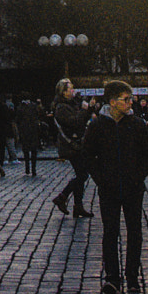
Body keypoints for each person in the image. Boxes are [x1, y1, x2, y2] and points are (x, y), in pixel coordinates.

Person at [83, 80, 148, 294]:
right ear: (112, 102)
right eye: (126, 99)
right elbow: (87, 153)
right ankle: (112, 278)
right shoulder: (97, 125)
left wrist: (138, 176)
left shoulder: (135, 124)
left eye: (130, 98)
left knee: (134, 232)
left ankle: (132, 276)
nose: (130, 102)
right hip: (108, 188)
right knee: (110, 232)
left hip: (133, 188)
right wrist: (100, 178)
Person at [49, 80, 93, 219]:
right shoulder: (62, 107)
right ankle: (62, 197)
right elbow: (75, 123)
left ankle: (77, 206)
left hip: (76, 144)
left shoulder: (70, 104)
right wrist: (85, 111)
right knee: (82, 175)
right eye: (71, 89)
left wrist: (89, 109)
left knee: (81, 174)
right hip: (71, 146)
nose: (73, 91)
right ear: (64, 92)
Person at [14, 95, 47, 177]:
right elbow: (39, 115)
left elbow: (17, 120)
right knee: (34, 150)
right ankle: (33, 169)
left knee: (26, 151)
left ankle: (27, 168)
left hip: (24, 131)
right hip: (33, 130)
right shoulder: (34, 106)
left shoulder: (20, 107)